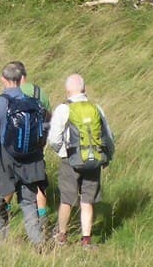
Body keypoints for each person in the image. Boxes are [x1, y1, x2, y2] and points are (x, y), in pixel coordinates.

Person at [0, 62, 51, 248]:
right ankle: (38, 243)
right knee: (28, 203)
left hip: (4, 158)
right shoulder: (34, 102)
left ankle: (0, 243)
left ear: (3, 80)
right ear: (21, 79)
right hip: (30, 159)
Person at [47, 73, 116, 249]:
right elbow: (108, 136)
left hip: (70, 160)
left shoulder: (63, 109)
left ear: (67, 90)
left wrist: (63, 152)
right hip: (93, 159)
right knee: (87, 201)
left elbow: (54, 138)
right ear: (84, 89)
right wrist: (107, 156)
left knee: (67, 200)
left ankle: (61, 236)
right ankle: (86, 240)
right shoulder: (96, 108)